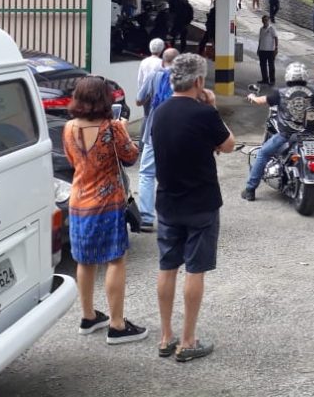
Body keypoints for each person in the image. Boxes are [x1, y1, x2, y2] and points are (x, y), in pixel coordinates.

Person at [148, 54, 235, 362]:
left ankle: (165, 336)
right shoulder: (204, 114)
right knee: (195, 269)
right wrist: (211, 106)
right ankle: (187, 341)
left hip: (167, 201)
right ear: (198, 81)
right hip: (201, 203)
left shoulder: (159, 112)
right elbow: (229, 144)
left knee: (167, 266)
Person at [62, 76, 147, 344]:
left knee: (85, 260)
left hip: (78, 201)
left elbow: (72, 159)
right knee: (115, 259)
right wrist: (124, 130)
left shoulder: (68, 128)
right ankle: (117, 325)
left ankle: (88, 316)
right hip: (107, 203)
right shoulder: (112, 128)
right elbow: (131, 157)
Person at [242, 62, 314, 200]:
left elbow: (260, 101)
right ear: (305, 76)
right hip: (308, 135)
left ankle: (250, 189)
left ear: (288, 76)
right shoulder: (313, 93)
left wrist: (252, 97)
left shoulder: (280, 93)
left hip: (286, 135)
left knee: (263, 153)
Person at [136, 48, 179, 231]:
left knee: (147, 174)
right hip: (178, 131)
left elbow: (139, 100)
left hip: (154, 130)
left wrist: (151, 99)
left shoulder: (154, 76)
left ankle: (146, 218)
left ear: (162, 61)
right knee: (175, 173)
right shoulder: (185, 79)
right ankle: (173, 216)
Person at [257, 15, 278, 84]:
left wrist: (276, 48)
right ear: (262, 21)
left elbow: (276, 38)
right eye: (263, 20)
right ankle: (265, 79)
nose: (265, 21)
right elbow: (260, 39)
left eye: (266, 20)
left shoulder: (271, 28)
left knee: (271, 66)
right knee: (263, 66)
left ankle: (272, 80)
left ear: (268, 21)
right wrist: (258, 48)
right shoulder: (261, 29)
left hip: (270, 51)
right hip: (262, 50)